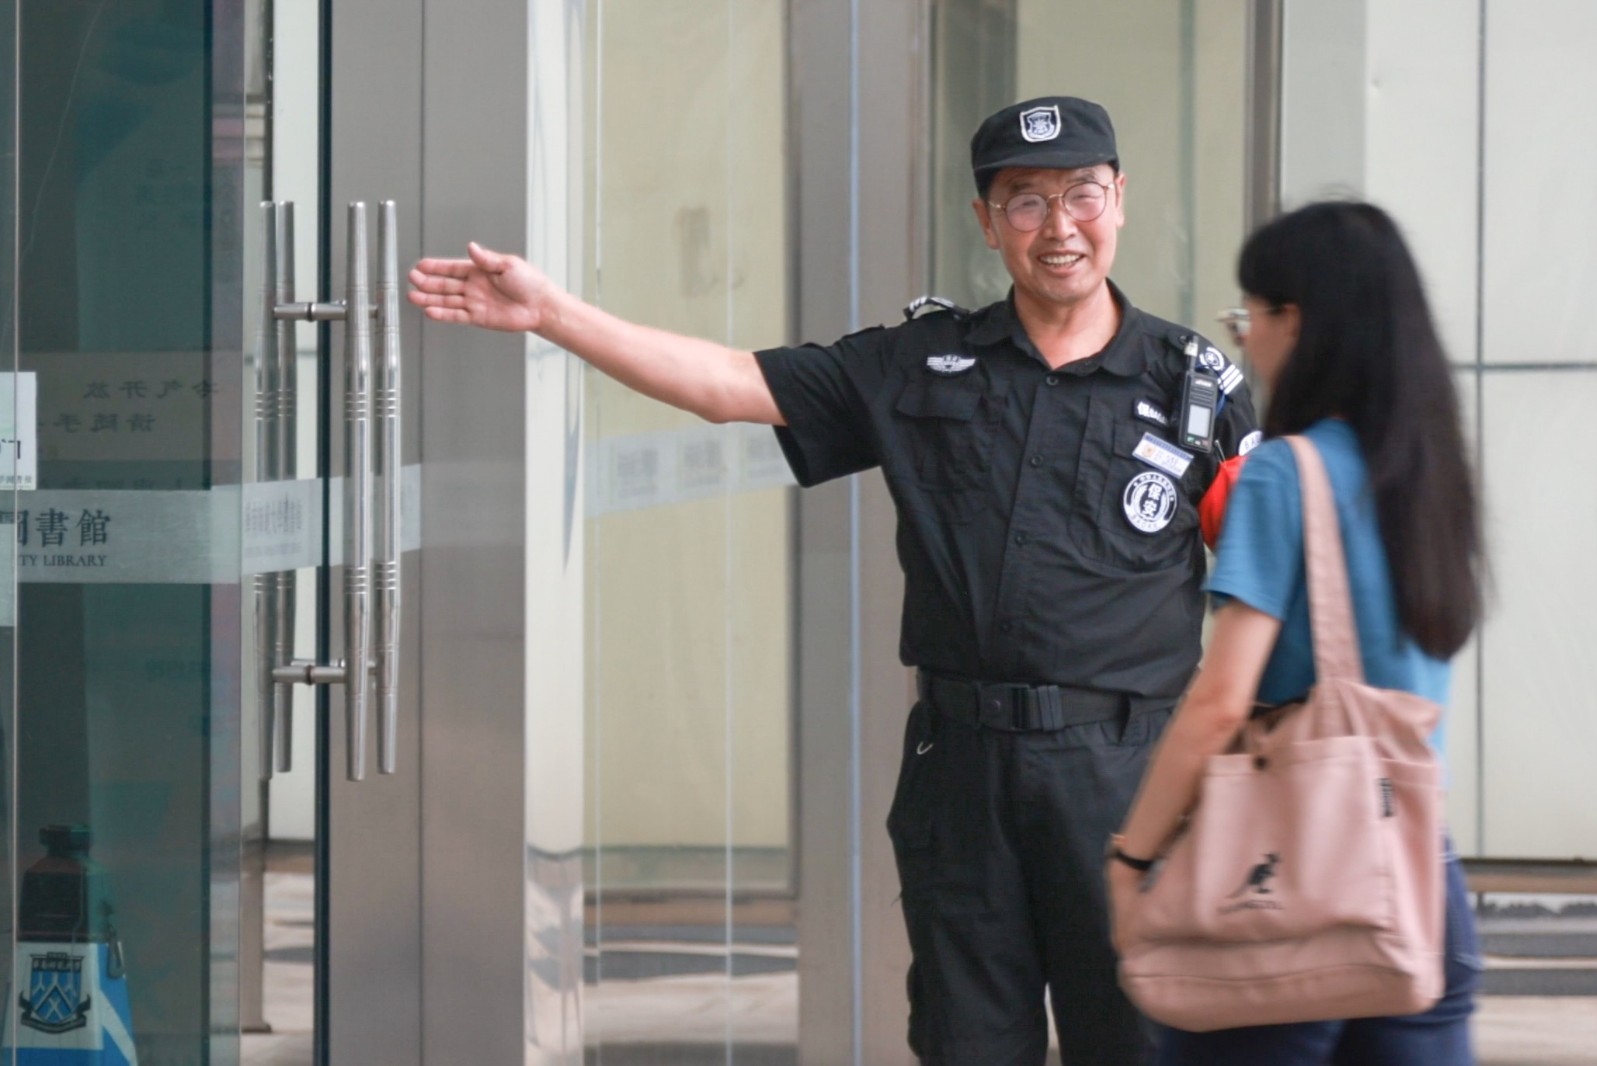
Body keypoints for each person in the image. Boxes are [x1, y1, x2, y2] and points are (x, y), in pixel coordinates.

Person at [410, 95, 1258, 1065]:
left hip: (1132, 774)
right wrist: (553, 314)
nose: (1057, 226)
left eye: (1080, 194)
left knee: (1143, 1041)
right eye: (1023, 201)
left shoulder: (1196, 388)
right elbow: (732, 384)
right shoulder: (925, 363)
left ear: (1120, 199)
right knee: (965, 1042)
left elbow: (1275, 587)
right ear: (985, 222)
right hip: (963, 776)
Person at [1105, 200, 1485, 1065]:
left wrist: (1132, 861)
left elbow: (1218, 703)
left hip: (1286, 876)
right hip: (1424, 882)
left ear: (1298, 323)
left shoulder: (1286, 471)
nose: (1246, 340)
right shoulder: (1432, 476)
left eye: (1252, 315)